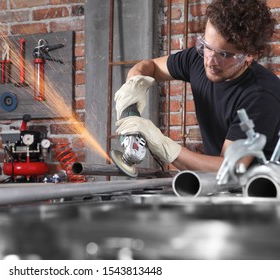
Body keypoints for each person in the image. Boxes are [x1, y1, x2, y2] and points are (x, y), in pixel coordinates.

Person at [114, 0, 280, 172]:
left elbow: (229, 168)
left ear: (250, 55)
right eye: (207, 47)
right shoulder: (198, 60)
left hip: (261, 191)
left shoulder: (262, 95)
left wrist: (163, 145)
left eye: (224, 54)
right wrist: (133, 91)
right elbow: (150, 67)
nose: (210, 61)